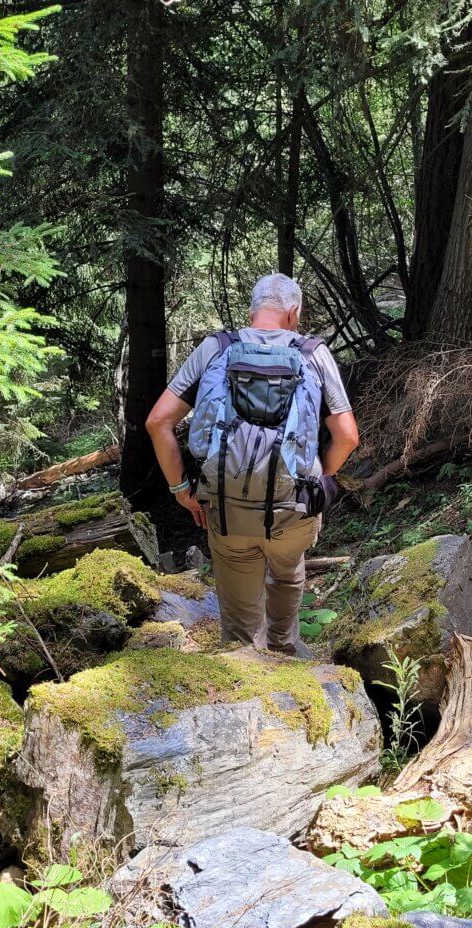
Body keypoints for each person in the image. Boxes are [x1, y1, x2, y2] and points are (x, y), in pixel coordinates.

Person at [146, 273, 359, 655]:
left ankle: (249, 670)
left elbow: (158, 421)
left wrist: (181, 491)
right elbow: (347, 437)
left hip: (228, 511)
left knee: (242, 635)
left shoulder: (217, 347)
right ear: (293, 313)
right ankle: (287, 654)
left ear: (251, 312)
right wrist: (319, 479)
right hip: (294, 508)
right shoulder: (313, 353)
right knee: (288, 565)